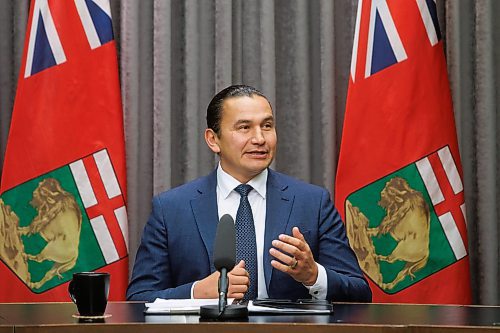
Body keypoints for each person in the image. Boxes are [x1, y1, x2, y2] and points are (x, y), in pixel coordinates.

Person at [126, 85, 371, 302]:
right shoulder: (171, 209)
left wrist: (314, 276)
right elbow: (139, 298)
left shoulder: (312, 202)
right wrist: (196, 292)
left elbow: (360, 292)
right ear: (213, 140)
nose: (259, 138)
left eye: (267, 126)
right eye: (244, 127)